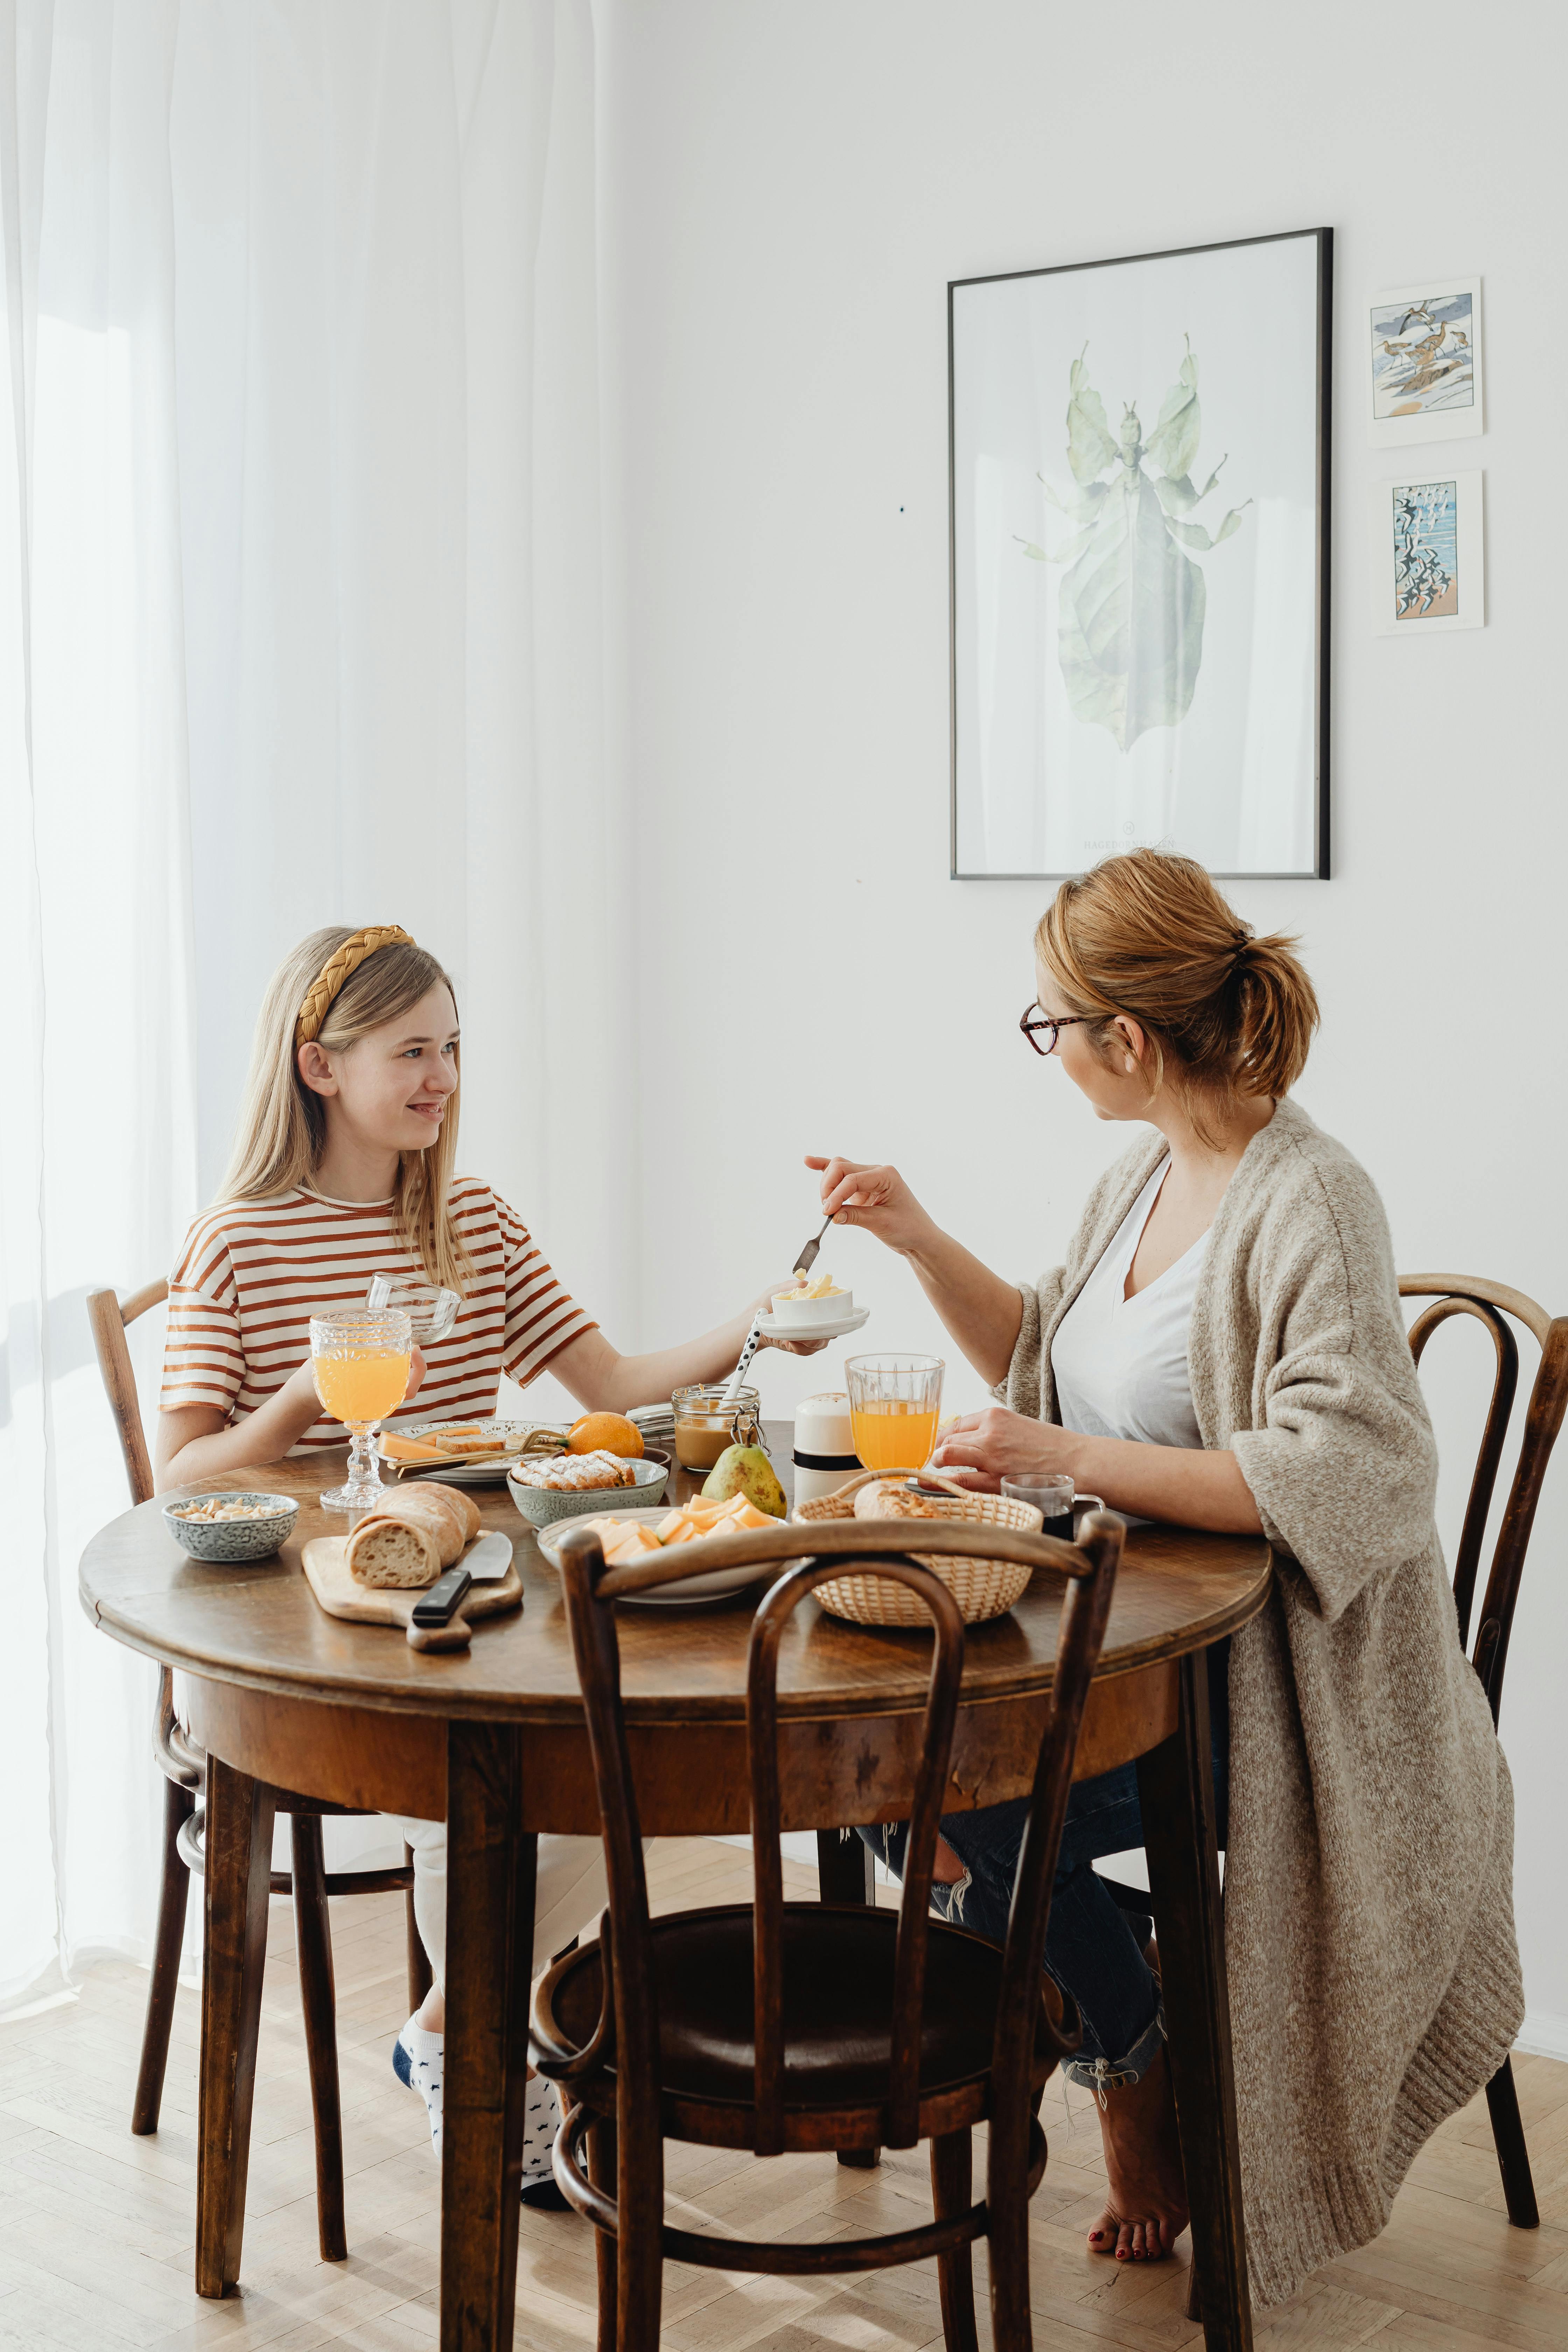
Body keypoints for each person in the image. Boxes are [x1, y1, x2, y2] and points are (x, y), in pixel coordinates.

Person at [808, 850, 1522, 2307]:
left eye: (1048, 1024)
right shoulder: (1143, 1169)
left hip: (1261, 1679)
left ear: (1125, 1040)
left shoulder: (1310, 1200)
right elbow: (1040, 1363)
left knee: (972, 1791)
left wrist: (1056, 1455)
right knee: (891, 1771)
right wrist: (916, 1233)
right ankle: (1124, 2008)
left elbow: (1353, 1468)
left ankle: (1121, 2070)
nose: (1046, 1049)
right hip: (1119, 1639)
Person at [157, 923, 816, 2203]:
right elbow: (179, 1478)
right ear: (317, 1064)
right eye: (411, 1051)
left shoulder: (470, 1220)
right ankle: (497, 2049)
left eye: (453, 1049)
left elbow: (612, 1384)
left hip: (473, 1596)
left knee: (584, 1750)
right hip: (304, 1634)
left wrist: (755, 1325)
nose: (442, 1078)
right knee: (497, 1779)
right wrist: (309, 1390)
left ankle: (458, 2032)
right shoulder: (236, 1242)